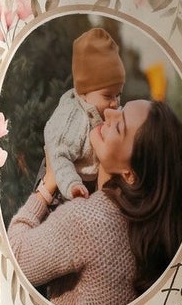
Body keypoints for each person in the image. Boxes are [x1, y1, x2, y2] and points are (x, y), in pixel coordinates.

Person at [7, 99, 182, 305]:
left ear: (130, 174)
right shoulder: (152, 231)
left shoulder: (89, 220)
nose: (108, 112)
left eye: (119, 126)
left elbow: (14, 261)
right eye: (120, 108)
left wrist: (47, 185)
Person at [44, 27, 126, 201]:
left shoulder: (107, 111)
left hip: (90, 181)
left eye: (118, 94)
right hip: (63, 180)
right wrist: (73, 185)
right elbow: (59, 155)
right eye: (108, 96)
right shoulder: (74, 118)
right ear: (84, 92)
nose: (115, 103)